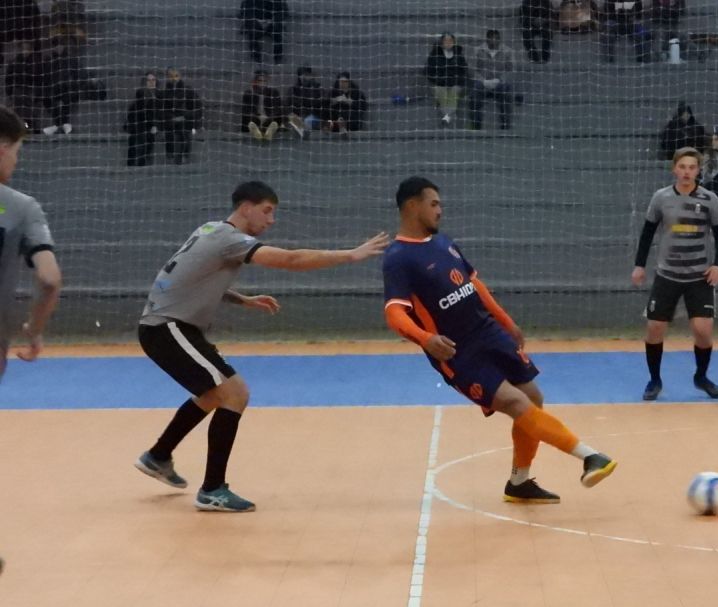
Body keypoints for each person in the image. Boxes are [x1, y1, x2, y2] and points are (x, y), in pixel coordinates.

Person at [134, 181, 390, 511]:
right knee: (235, 393)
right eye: (267, 211)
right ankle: (212, 489)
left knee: (213, 394)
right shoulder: (230, 239)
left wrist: (242, 299)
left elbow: (191, 278)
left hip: (165, 326)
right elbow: (292, 259)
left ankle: (158, 456)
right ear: (245, 208)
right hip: (167, 328)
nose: (271, 220)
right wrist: (350, 254)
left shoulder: (209, 229)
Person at [383, 177, 617, 502]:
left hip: (487, 331)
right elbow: (394, 314)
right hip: (457, 352)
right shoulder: (399, 257)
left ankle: (519, 483)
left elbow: (475, 286)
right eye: (434, 203)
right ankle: (590, 456)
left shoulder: (444, 242)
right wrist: (425, 339)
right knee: (515, 403)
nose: (440, 210)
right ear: (412, 206)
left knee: (533, 397)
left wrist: (506, 322)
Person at [632, 147, 718, 401]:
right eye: (682, 167)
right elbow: (647, 232)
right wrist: (639, 265)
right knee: (654, 327)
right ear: (674, 169)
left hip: (699, 276)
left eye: (692, 167)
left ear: (698, 170)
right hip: (667, 274)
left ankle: (701, 377)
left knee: (703, 330)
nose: (687, 172)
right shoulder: (661, 198)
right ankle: (654, 380)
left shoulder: (709, 199)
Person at [0, 105, 63, 382]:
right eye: (16, 151)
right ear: (2, 147)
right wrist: (34, 328)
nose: (16, 160)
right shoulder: (20, 207)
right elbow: (49, 280)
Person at [468, 29, 515, 131]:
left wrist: (499, 80)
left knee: (507, 92)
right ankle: (476, 125)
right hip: (482, 83)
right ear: (487, 39)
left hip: (499, 83)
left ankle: (506, 125)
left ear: (500, 39)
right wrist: (483, 81)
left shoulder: (508, 51)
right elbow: (472, 70)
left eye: (497, 38)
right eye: (491, 38)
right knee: (474, 92)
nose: (494, 41)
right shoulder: (477, 50)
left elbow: (510, 70)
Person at [424, 33, 469, 127]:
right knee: (441, 92)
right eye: (446, 41)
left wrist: (455, 80)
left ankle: (446, 117)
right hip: (440, 84)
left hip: (455, 84)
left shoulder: (459, 55)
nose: (448, 43)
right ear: (441, 43)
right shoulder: (434, 55)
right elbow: (428, 72)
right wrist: (440, 80)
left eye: (450, 41)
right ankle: (448, 117)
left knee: (454, 92)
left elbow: (464, 72)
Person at [160, 67, 202, 164]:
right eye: (171, 76)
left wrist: (185, 116)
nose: (174, 79)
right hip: (170, 123)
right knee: (170, 133)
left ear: (180, 76)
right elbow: (161, 111)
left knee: (184, 132)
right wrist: (171, 118)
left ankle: (184, 156)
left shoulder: (188, 92)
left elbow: (198, 108)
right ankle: (170, 156)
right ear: (167, 77)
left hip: (185, 122)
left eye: (176, 76)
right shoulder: (163, 93)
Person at [124, 71, 162, 166]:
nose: (151, 82)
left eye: (153, 80)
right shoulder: (140, 96)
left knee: (143, 139)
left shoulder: (160, 97)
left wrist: (156, 125)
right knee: (136, 139)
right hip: (140, 127)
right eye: (148, 80)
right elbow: (133, 113)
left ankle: (140, 163)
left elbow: (162, 114)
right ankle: (133, 164)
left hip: (151, 127)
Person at [239, 0, 289, 64]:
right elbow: (244, 12)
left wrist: (272, 21)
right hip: (256, 24)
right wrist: (257, 22)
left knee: (278, 34)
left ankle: (278, 58)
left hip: (272, 24)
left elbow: (284, 12)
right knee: (252, 34)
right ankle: (256, 57)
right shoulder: (248, 1)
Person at [240, 70, 285, 141]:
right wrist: (257, 115)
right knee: (252, 121)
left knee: (274, 121)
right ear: (256, 81)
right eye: (260, 81)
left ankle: (269, 132)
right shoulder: (249, 93)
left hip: (269, 117)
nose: (262, 83)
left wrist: (269, 116)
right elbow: (246, 109)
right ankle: (256, 132)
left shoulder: (274, 92)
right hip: (256, 117)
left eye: (264, 81)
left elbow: (277, 108)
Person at [286, 65, 326, 138]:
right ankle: (303, 130)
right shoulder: (293, 89)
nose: (304, 77)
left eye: (307, 75)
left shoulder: (318, 87)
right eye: (302, 75)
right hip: (299, 116)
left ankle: (304, 129)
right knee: (292, 117)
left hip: (314, 116)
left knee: (308, 120)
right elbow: (288, 105)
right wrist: (297, 115)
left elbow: (321, 103)